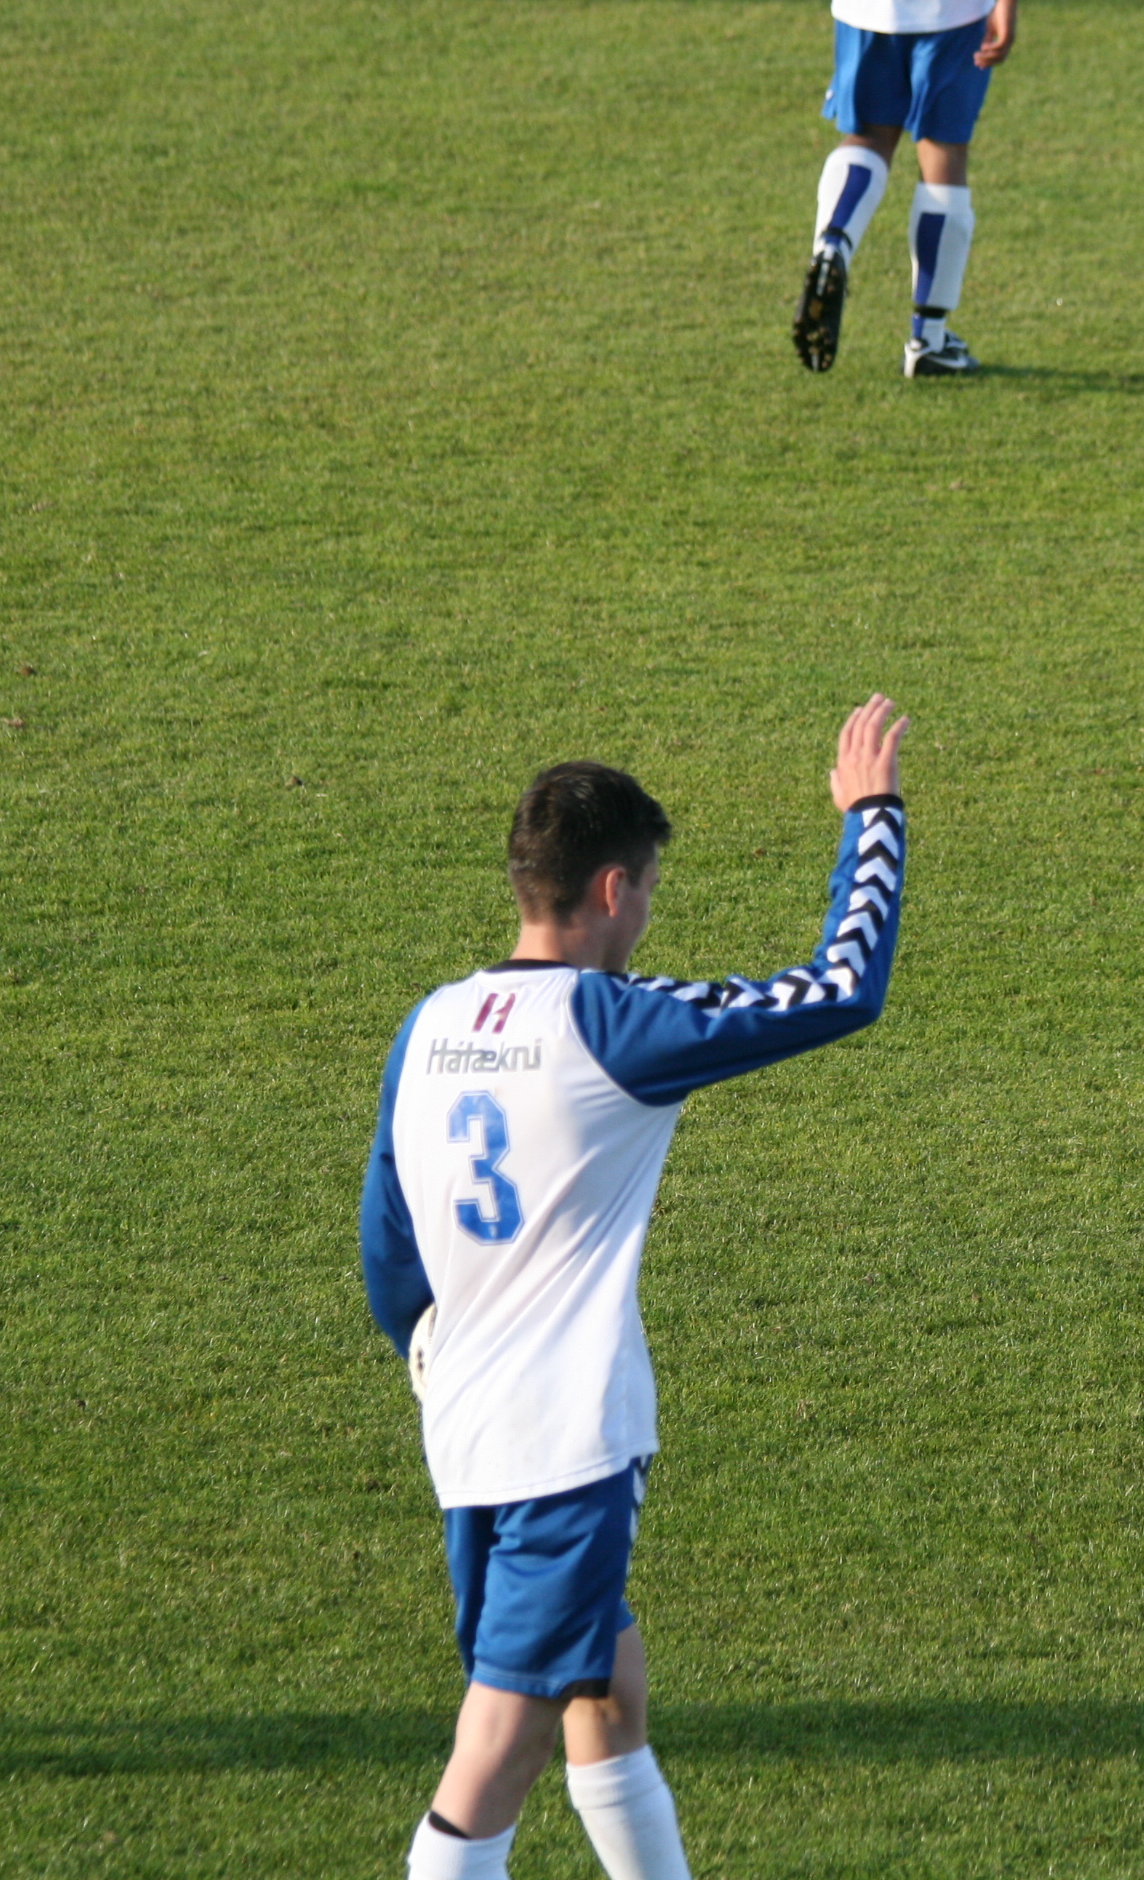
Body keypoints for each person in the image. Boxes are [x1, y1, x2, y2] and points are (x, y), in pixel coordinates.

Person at [360, 699, 909, 1879]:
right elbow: (841, 986)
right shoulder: (614, 1027)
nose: (649, 911)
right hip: (564, 1449)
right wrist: (873, 817)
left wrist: (439, 1349)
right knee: (495, 1748)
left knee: (604, 1687)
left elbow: (388, 1251)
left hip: (466, 1429)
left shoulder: (430, 1025)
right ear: (613, 889)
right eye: (650, 889)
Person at [792, 0, 1019, 378]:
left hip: (866, 12)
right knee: (942, 148)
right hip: (953, 15)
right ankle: (928, 340)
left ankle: (832, 247)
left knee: (868, 134)